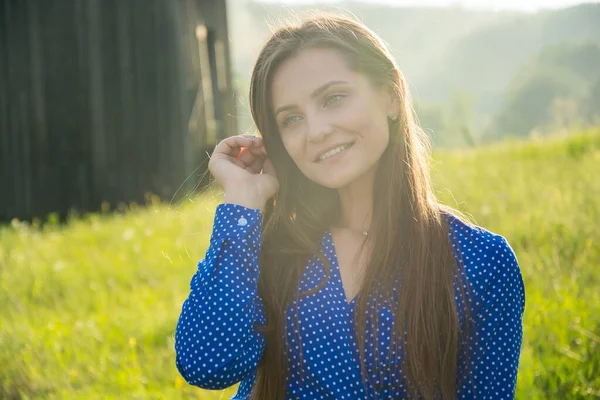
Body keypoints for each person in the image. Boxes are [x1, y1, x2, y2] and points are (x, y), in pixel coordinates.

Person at [174, 13, 525, 400]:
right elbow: (207, 365)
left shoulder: (481, 261)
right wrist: (242, 202)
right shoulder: (271, 248)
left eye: (333, 98)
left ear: (391, 94)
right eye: (291, 119)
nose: (316, 130)